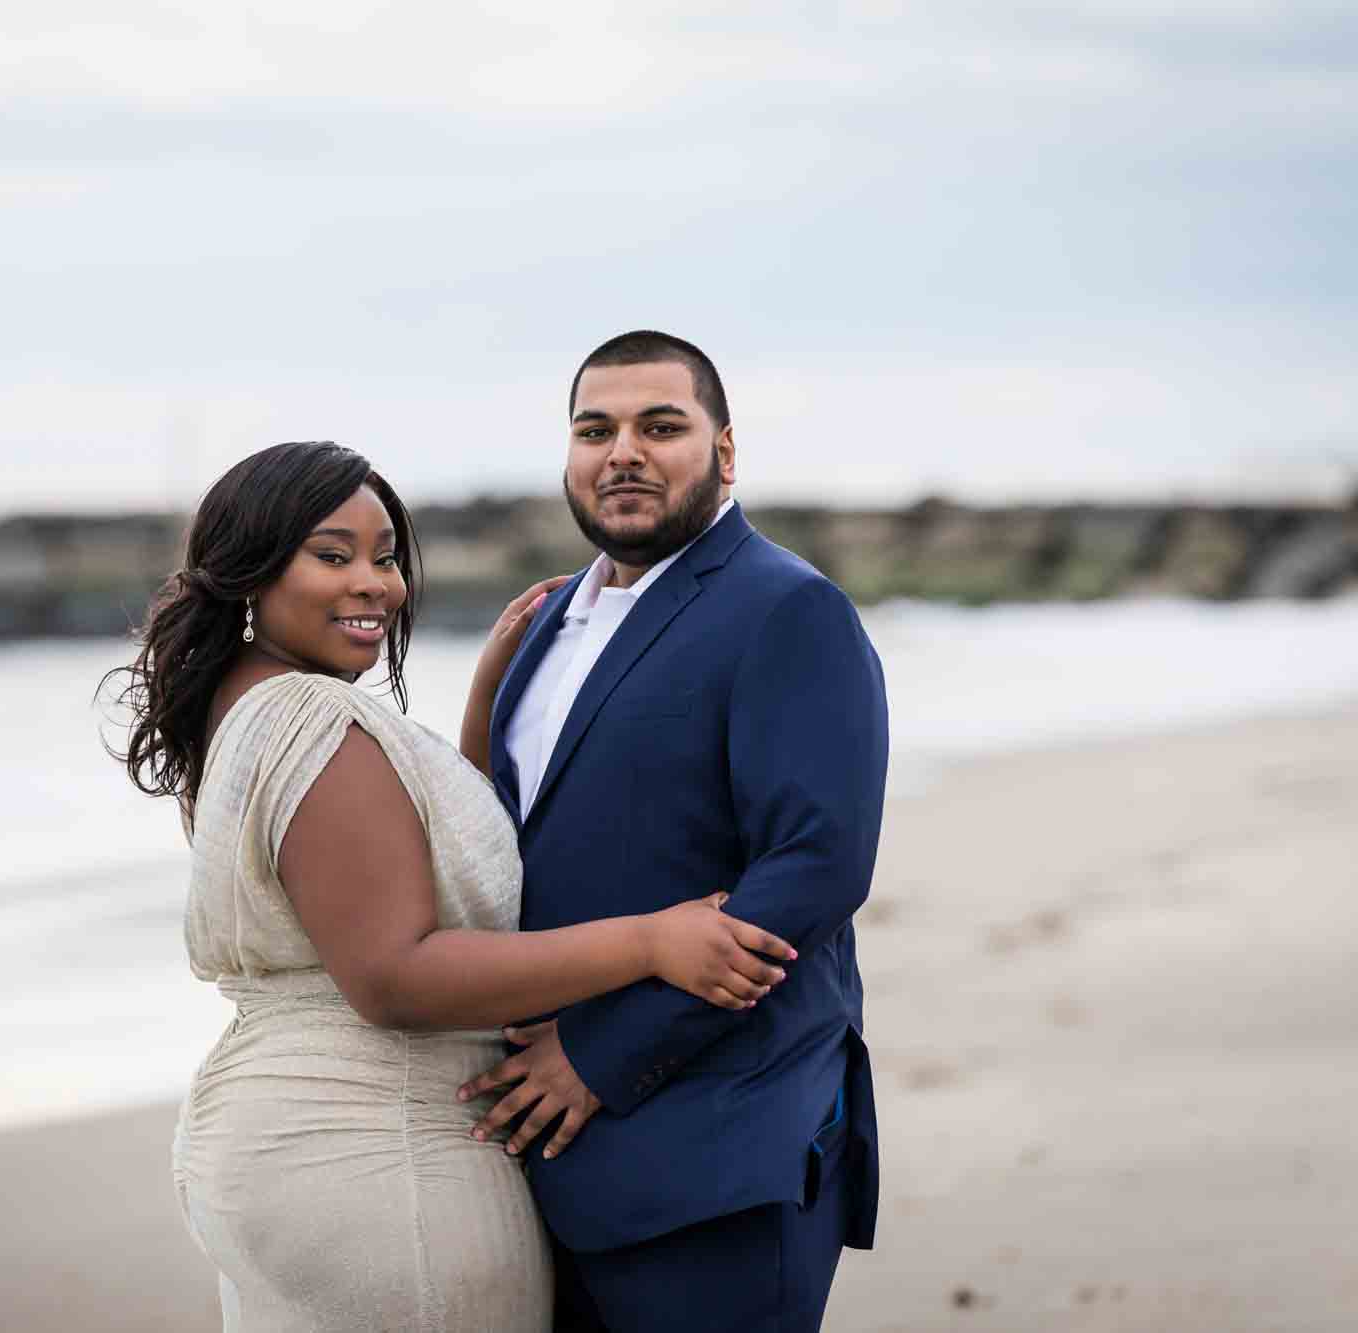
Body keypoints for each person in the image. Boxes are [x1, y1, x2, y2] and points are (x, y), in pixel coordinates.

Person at [109, 439, 801, 1332]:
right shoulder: (312, 716)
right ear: (252, 570)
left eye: (386, 555)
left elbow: (407, 874)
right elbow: (397, 973)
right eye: (332, 555)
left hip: (287, 1136)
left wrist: (484, 698)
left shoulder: (241, 706)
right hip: (379, 1147)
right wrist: (651, 941)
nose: (375, 583)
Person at [459, 331, 890, 1331]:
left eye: (660, 426)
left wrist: (599, 1056)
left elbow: (816, 867)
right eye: (593, 429)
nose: (622, 452)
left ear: (724, 453)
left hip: (719, 1141)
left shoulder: (786, 608)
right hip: (552, 1162)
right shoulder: (545, 623)